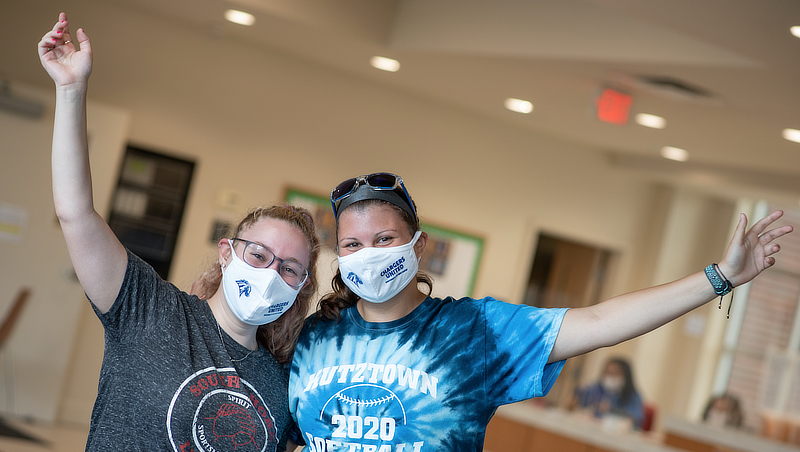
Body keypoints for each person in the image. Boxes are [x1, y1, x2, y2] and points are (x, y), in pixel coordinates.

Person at [288, 172, 792, 452]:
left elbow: (598, 323)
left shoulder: (473, 332)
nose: (368, 255)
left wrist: (717, 278)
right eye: (352, 244)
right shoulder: (312, 336)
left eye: (384, 239)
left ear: (419, 248)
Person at [38, 13, 320, 451]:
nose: (270, 273)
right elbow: (75, 213)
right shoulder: (149, 310)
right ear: (226, 252)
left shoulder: (283, 380)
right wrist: (71, 91)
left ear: (301, 285)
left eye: (289, 268)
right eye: (259, 255)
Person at [572, 357, 645, 429]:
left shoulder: (632, 395)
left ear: (625, 375)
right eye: (607, 372)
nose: (610, 377)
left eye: (614, 373)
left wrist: (612, 410)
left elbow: (636, 419)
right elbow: (581, 399)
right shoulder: (597, 388)